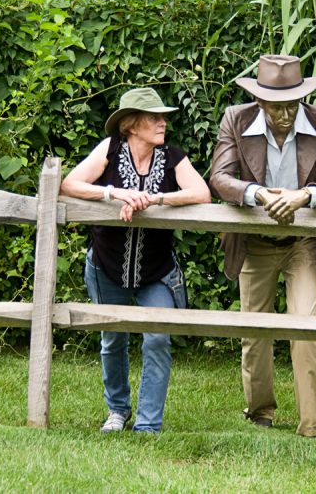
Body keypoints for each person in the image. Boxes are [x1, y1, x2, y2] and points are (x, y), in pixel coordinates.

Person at [210, 55, 316, 438]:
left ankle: (313, 426)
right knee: (254, 330)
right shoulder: (236, 120)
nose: (286, 114)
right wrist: (258, 194)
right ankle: (261, 411)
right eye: (277, 106)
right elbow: (220, 179)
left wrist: (304, 196)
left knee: (306, 327)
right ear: (260, 102)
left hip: (303, 242)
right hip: (254, 241)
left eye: (293, 104)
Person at [60, 87, 211, 434]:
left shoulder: (173, 156)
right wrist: (115, 193)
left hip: (157, 272)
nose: (163, 122)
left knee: (157, 338)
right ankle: (117, 411)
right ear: (131, 124)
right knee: (112, 338)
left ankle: (148, 424)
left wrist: (154, 199)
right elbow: (70, 184)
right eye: (154, 117)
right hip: (107, 265)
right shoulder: (111, 150)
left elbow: (201, 192)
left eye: (163, 116)